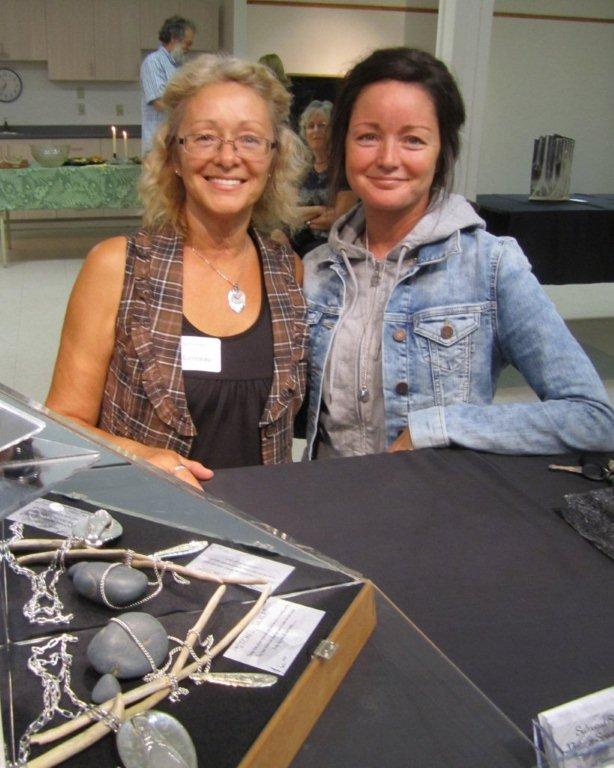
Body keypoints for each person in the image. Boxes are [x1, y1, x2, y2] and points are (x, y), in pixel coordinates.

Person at [303, 47, 614, 458]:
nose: (388, 159)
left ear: (442, 151)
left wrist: (441, 427)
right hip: (332, 494)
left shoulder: (489, 265)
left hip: (437, 495)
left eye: (413, 140)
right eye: (368, 137)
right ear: (344, 144)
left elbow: (592, 418)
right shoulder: (317, 270)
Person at [46, 55, 309, 488]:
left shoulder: (287, 272)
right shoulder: (119, 267)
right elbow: (61, 426)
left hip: (262, 521)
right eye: (205, 137)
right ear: (173, 155)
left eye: (249, 139)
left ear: (274, 158)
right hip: (149, 519)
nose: (228, 157)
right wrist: (139, 456)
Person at [290, 100, 357, 257]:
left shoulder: (343, 169)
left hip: (332, 244)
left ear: (333, 131)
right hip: (299, 239)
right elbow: (290, 214)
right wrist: (320, 210)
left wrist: (304, 218)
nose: (316, 130)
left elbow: (339, 218)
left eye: (322, 125)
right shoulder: (301, 171)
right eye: (310, 126)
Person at [140, 16, 196, 154]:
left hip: (177, 140)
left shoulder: (181, 65)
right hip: (158, 142)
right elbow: (159, 103)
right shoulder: (153, 62)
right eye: (187, 44)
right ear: (174, 39)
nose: (189, 48)